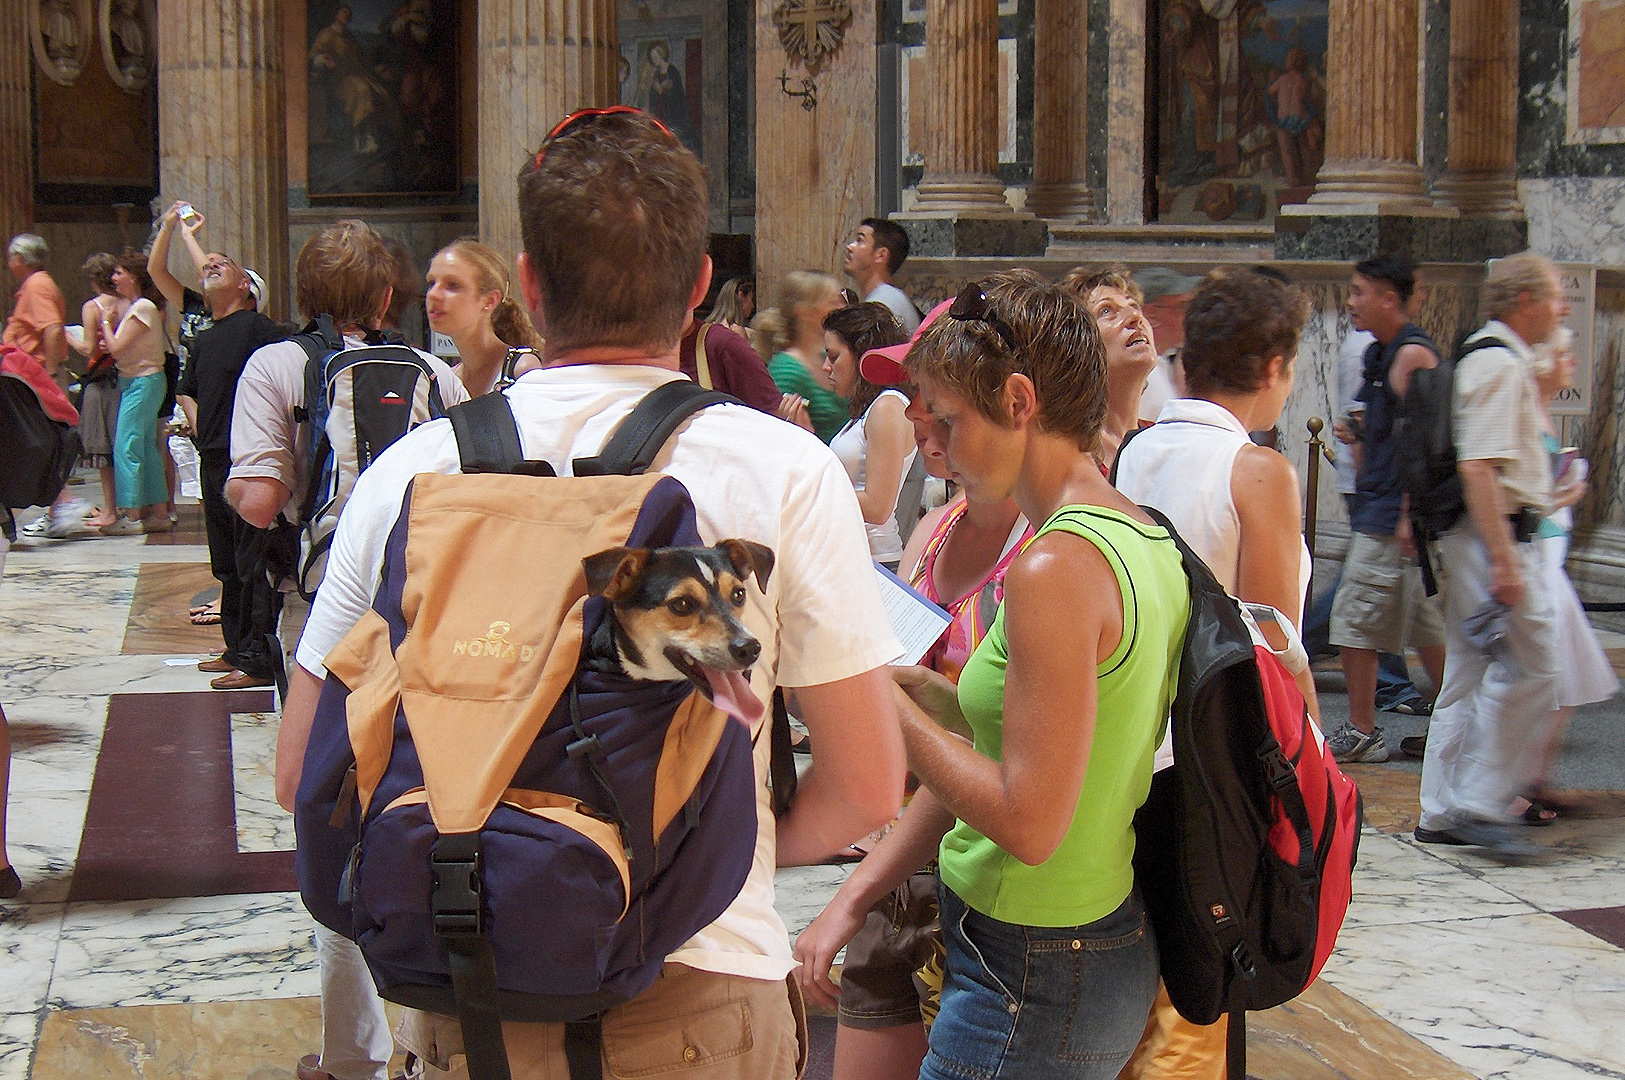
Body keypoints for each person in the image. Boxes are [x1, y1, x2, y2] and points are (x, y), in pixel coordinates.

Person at [279, 111, 905, 1080]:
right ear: (699, 286)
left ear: (526, 285)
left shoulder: (413, 474)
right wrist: (689, 854)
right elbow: (866, 783)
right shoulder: (777, 469)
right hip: (698, 989)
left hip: (468, 985)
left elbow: (304, 777)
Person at [884, 270, 1189, 1080]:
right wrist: (938, 702)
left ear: (1019, 403)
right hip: (1074, 945)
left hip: (1036, 964)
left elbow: (1028, 822)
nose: (937, 442)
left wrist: (879, 708)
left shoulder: (1055, 564)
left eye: (949, 417)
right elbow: (1075, 736)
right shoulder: (1138, 532)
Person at [228, 219, 470, 1080]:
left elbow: (258, 499)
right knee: (428, 800)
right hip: (431, 618)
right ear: (385, 296)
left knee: (334, 816)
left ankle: (352, 1054)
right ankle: (436, 1034)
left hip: (327, 617)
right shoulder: (434, 371)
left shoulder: (277, 368)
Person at [795, 298, 1029, 1080]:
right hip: (901, 862)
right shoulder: (935, 531)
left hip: (988, 887)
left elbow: (987, 756)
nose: (919, 422)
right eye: (916, 403)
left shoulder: (1051, 552)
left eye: (940, 409)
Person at [1111, 266, 1319, 1079]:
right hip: (1215, 759)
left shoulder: (1133, 450)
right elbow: (1272, 646)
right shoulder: (1255, 470)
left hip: (1137, 738)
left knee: (1154, 961)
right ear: (1273, 368)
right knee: (1206, 969)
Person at [1416, 252, 1564, 857]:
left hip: (1475, 538)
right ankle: (1479, 802)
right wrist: (1505, 562)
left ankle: (1440, 808)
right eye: (1554, 298)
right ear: (1525, 301)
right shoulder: (1500, 366)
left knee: (1468, 674)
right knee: (1535, 667)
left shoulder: (1489, 357)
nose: (1560, 310)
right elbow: (1479, 466)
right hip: (1492, 539)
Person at [1325, 255, 1447, 764]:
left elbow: (1427, 442)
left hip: (1393, 518)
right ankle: (1453, 727)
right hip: (1385, 509)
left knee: (1353, 621)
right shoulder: (1380, 355)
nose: (1350, 302)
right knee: (1427, 626)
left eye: (1358, 292)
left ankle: (1362, 730)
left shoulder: (1411, 356)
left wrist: (1405, 514)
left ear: (1388, 298)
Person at [1516, 329, 1617, 819]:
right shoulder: (1522, 411)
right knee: (1541, 676)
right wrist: (1566, 494)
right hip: (1535, 554)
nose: (1573, 362)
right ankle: (1513, 784)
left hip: (1549, 551)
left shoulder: (1539, 411)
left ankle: (1534, 776)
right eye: (1563, 355)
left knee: (1562, 680)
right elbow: (1525, 497)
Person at [176, 251, 282, 692]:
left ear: (246, 286)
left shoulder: (260, 329)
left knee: (251, 561)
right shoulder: (205, 337)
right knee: (225, 563)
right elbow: (187, 391)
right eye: (208, 264)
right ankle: (235, 647)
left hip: (247, 457)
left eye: (226, 263)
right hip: (214, 455)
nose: (213, 264)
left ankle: (258, 657)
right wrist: (204, 430)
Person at [823, 302, 915, 566]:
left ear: (861, 354)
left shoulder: (887, 406)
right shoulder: (868, 410)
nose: (826, 367)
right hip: (852, 553)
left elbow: (878, 505)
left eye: (834, 356)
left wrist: (810, 490)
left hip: (875, 558)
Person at [6, 233, 84, 539]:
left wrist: (49, 372)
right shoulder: (37, 284)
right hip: (31, 375)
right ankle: (57, 508)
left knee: (36, 443)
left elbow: (52, 329)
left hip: (34, 376)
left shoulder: (37, 285)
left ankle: (64, 503)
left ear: (20, 260)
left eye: (11, 258)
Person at [98, 252, 171, 535]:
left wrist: (105, 322)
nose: (114, 278)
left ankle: (132, 516)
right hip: (140, 381)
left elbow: (116, 348)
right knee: (146, 448)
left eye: (119, 273)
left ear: (134, 276)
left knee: (126, 447)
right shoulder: (138, 307)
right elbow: (125, 345)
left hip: (142, 381)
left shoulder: (142, 307)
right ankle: (160, 514)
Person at [1060, 265, 1159, 465]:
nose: (1135, 317)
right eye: (1107, 311)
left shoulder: (1165, 440)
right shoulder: (1065, 451)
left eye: (1134, 306)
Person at [424, 238, 541, 397]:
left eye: (453, 285)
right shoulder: (448, 379)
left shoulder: (521, 369)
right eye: (431, 283)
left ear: (489, 301)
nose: (433, 294)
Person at [69, 253, 127, 532]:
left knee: (103, 448)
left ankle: (110, 509)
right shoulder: (128, 303)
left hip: (101, 380)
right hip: (127, 377)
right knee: (126, 447)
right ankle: (133, 508)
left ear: (94, 279)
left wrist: (67, 335)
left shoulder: (93, 307)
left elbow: (89, 349)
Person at [757, 270, 849, 441]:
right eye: (833, 301)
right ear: (804, 311)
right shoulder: (786, 371)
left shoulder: (826, 356)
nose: (842, 307)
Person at [843, 219, 921, 335]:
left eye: (860, 240)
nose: (850, 247)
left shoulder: (883, 304)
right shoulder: (887, 297)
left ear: (881, 255)